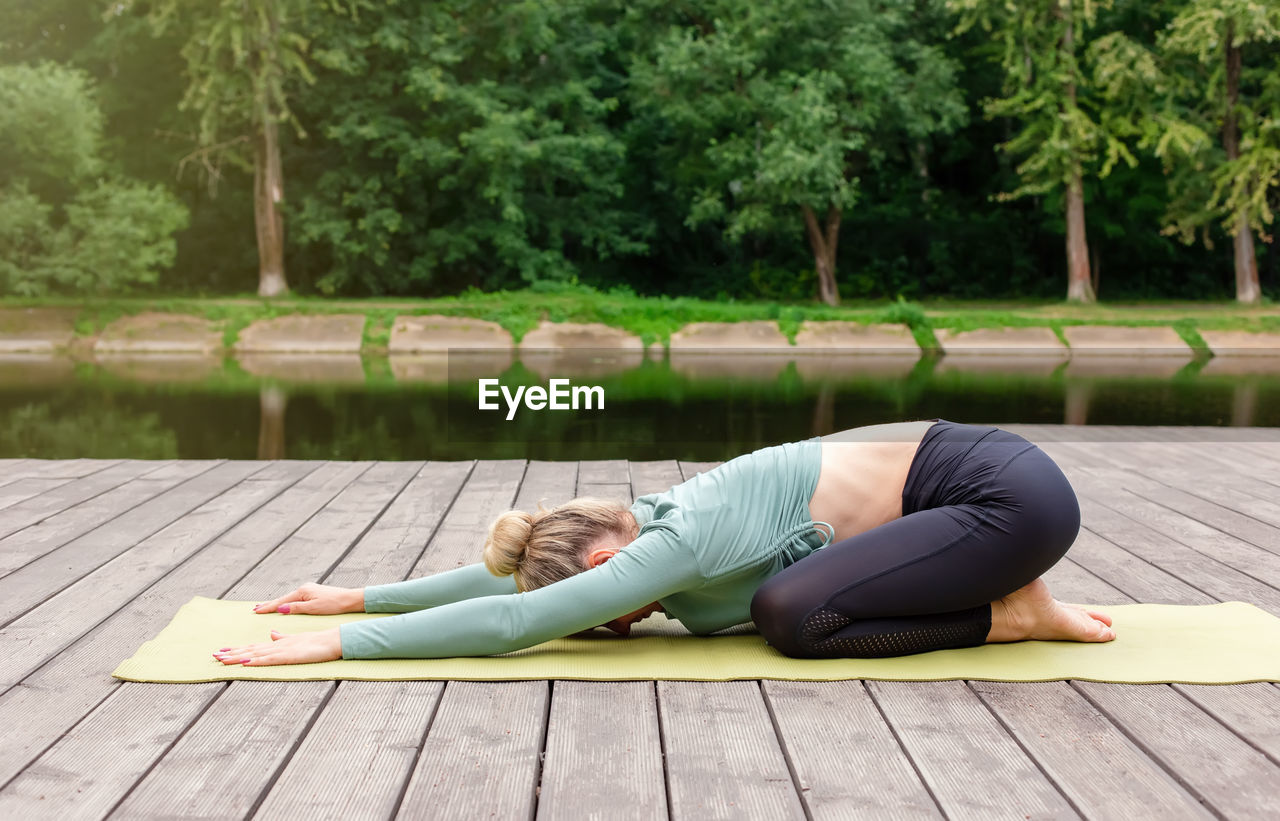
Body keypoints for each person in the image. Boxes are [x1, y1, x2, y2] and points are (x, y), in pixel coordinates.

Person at [214, 419, 1114, 668]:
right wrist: (361, 595)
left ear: (606, 568)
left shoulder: (676, 543)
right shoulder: (653, 529)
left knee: (790, 615)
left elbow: (506, 625)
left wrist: (340, 644)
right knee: (789, 610)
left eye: (598, 615)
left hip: (1004, 498)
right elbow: (503, 586)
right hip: (978, 501)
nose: (609, 624)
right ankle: (1008, 604)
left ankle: (1007, 618)